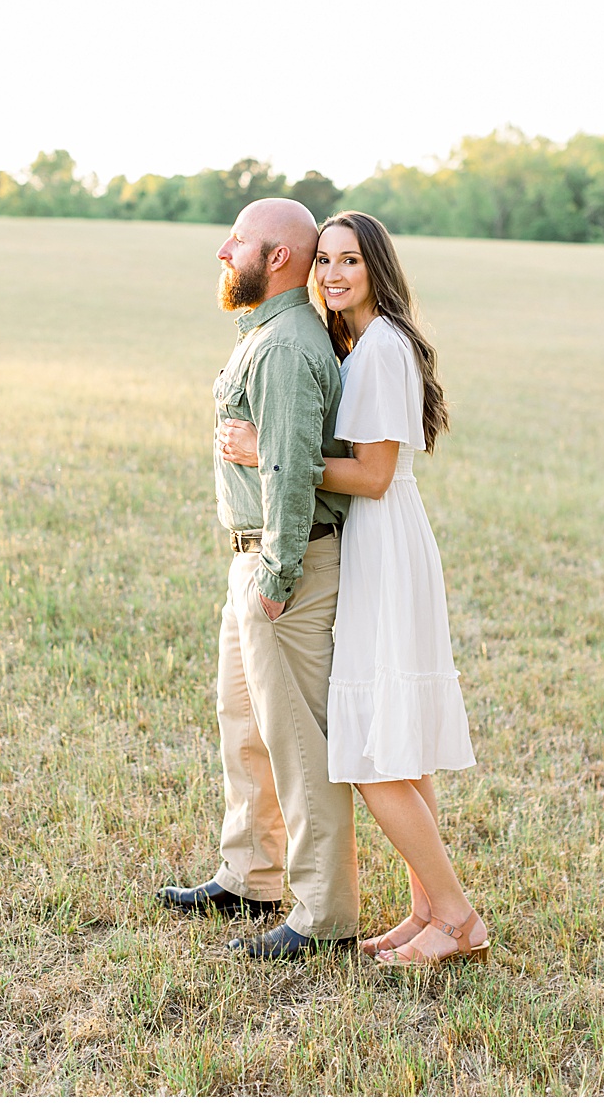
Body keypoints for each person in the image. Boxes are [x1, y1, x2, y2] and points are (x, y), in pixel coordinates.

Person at [219, 210, 486, 967]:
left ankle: (460, 918)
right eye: (326, 262)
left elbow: (371, 475)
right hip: (378, 543)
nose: (333, 275)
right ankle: (427, 912)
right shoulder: (365, 344)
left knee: (371, 757)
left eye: (350, 262)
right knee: (398, 748)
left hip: (382, 545)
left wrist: (263, 453)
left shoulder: (381, 349)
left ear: (377, 270)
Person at [158, 196, 360, 960]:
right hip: (255, 560)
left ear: (276, 257)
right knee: (244, 727)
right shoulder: (269, 333)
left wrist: (275, 575)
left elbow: (288, 472)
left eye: (236, 239)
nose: (222, 250)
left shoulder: (283, 347)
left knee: (297, 744)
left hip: (288, 566)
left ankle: (325, 914)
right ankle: (252, 874)